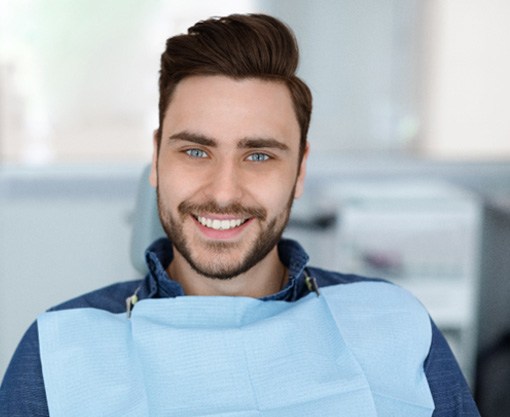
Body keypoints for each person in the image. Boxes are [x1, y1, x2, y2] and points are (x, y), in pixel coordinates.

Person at [0, 13, 480, 416]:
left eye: (258, 156)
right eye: (195, 152)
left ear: (300, 170)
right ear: (157, 157)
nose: (224, 193)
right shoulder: (60, 347)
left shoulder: (391, 320)